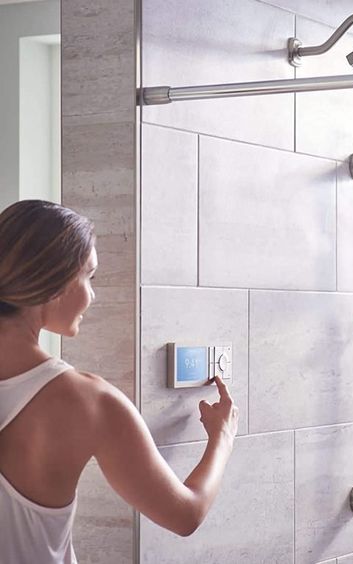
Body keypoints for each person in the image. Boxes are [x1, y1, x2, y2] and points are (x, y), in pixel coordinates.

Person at [0, 199, 239, 563]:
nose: (92, 296)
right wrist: (222, 438)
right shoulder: (88, 402)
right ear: (55, 283)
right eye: (88, 276)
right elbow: (185, 514)